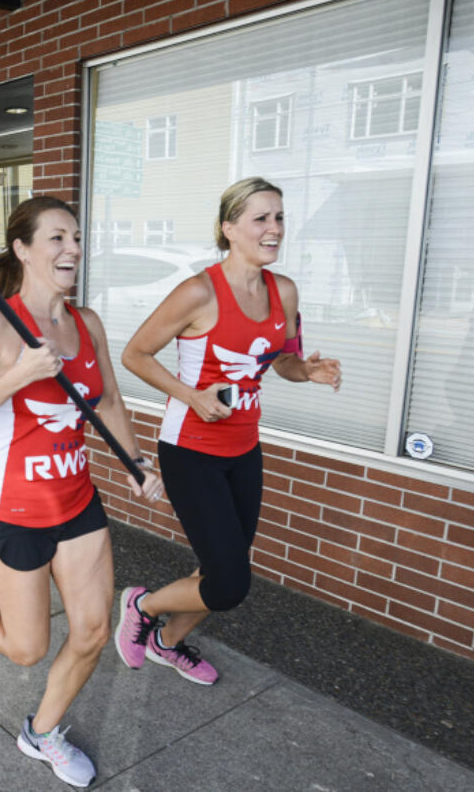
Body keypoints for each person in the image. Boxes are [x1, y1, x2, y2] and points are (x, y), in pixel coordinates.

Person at [0, 196, 162, 788]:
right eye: (56, 238)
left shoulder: (88, 324)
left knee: (93, 631)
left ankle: (42, 732)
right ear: (23, 249)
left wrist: (136, 463)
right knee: (27, 648)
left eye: (75, 237)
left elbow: (106, 402)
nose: (71, 248)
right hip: (13, 509)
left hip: (77, 504)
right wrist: (19, 374)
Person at [115, 177, 341, 685]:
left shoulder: (283, 290)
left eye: (279, 217)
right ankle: (141, 605)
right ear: (229, 228)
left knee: (222, 567)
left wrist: (307, 371)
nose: (274, 229)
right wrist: (190, 395)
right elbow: (135, 354)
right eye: (261, 218)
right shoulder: (198, 291)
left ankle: (166, 643)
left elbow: (280, 358)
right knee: (230, 584)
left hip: (244, 448)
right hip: (190, 450)